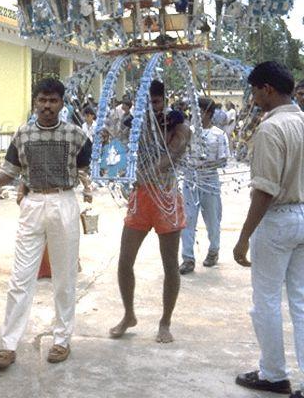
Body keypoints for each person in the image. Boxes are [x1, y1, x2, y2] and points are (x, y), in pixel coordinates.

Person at [0, 78, 93, 369]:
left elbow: (85, 166)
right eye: (42, 100)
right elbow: (9, 171)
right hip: (32, 204)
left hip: (64, 203)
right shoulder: (22, 134)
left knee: (64, 277)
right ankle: (9, 344)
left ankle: (62, 340)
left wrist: (87, 190)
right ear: (35, 102)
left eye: (53, 101)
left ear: (62, 103)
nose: (47, 106)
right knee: (20, 277)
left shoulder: (76, 135)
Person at [233, 62, 304, 396]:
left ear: (268, 89)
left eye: (255, 90)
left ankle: (274, 373)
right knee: (301, 302)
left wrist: (244, 237)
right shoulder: (302, 121)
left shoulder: (270, 129)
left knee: (266, 301)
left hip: (277, 220)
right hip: (303, 215)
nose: (254, 97)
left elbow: (265, 190)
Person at [109, 79, 190, 343]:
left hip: (166, 198)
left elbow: (174, 153)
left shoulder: (179, 126)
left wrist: (150, 171)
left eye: (156, 102)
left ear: (165, 100)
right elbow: (119, 152)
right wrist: (113, 165)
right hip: (140, 198)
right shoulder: (135, 126)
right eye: (146, 103)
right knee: (124, 261)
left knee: (170, 265)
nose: (151, 107)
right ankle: (128, 314)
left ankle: (165, 322)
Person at [179, 98, 229, 274]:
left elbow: (223, 160)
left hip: (209, 180)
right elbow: (180, 153)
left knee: (212, 217)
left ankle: (214, 250)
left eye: (198, 111)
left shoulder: (219, 134)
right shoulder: (187, 132)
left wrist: (205, 165)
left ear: (208, 113)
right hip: (190, 179)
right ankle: (188, 258)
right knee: (187, 218)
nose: (194, 115)